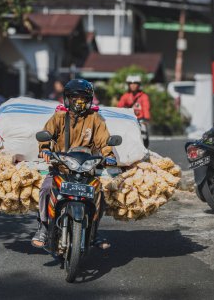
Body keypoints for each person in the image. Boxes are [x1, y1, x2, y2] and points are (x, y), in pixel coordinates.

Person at [32, 79, 116, 249]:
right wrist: (46, 150)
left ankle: (94, 230)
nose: (79, 101)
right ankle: (43, 226)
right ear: (67, 98)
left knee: (99, 194)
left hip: (86, 171)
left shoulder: (95, 119)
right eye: (74, 97)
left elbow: (104, 142)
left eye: (83, 98)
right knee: (46, 189)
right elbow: (46, 134)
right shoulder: (59, 117)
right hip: (61, 167)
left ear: (89, 100)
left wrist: (109, 156)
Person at [117, 75, 151, 147]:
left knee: (143, 136)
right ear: (128, 85)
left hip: (140, 120)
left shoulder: (143, 96)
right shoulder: (126, 96)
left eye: (135, 83)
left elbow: (146, 108)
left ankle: (144, 149)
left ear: (138, 85)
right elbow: (120, 106)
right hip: (129, 120)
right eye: (131, 84)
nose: (133, 85)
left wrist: (146, 119)